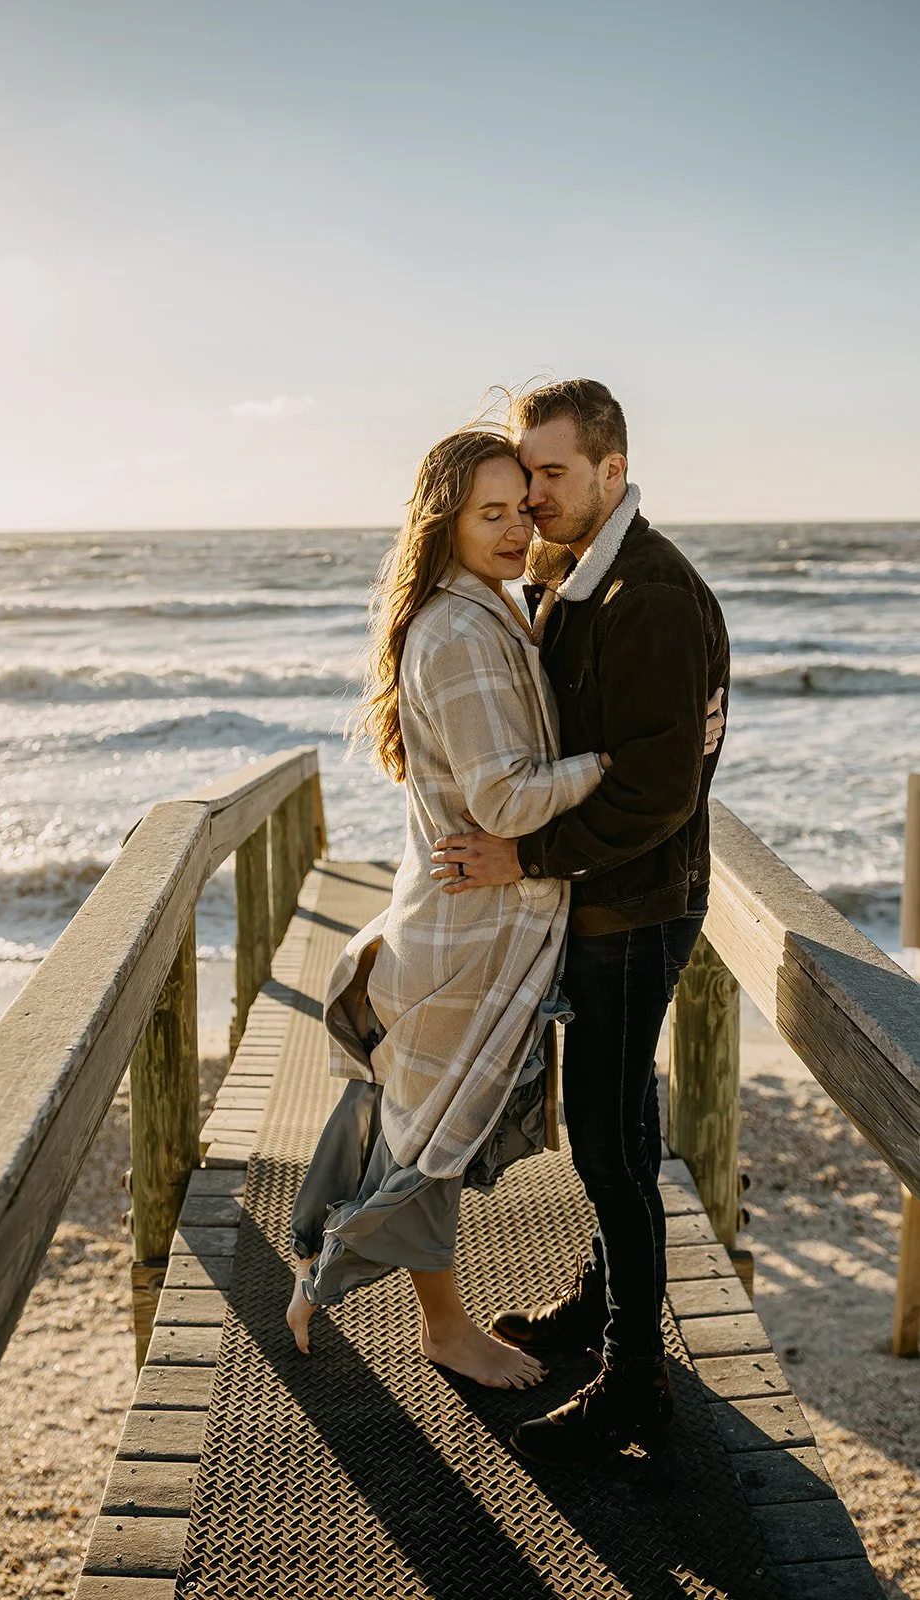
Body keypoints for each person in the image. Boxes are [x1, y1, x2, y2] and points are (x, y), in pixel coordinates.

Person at [286, 425, 725, 1394]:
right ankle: (419, 1319)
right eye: (491, 513)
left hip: (470, 924)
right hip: (466, 931)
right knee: (428, 1136)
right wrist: (618, 762)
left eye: (522, 506)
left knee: (413, 1118)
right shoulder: (462, 630)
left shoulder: (488, 610)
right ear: (442, 523)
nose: (518, 528)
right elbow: (504, 800)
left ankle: (321, 1270)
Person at [429, 379, 730, 1459]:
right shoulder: (573, 571)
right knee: (613, 1121)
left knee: (603, 1138)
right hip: (597, 900)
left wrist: (523, 852)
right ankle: (594, 1305)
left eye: (553, 474)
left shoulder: (647, 593)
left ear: (611, 469)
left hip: (633, 908)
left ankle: (633, 1377)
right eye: (527, 474)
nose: (536, 495)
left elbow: (656, 790)